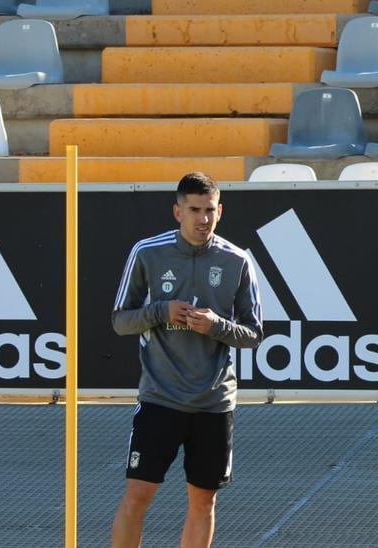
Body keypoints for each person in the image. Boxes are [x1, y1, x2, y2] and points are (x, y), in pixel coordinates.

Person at [110, 172, 263, 548]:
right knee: (138, 495)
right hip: (160, 398)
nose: (203, 219)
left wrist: (215, 326)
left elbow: (254, 333)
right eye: (194, 209)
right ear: (177, 212)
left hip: (213, 402)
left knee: (204, 501)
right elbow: (119, 321)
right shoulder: (147, 252)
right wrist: (161, 311)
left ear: (220, 210)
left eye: (209, 210)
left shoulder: (237, 260)